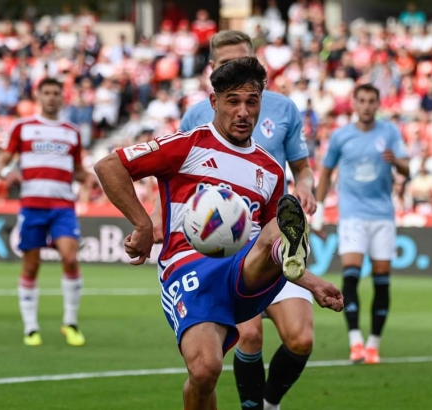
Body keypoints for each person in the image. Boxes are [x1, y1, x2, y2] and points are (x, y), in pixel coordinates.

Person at [93, 57, 343, 410]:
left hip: (244, 268)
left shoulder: (270, 170)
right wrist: (143, 224)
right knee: (205, 371)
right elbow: (109, 166)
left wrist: (313, 282)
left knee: (279, 225)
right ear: (214, 102)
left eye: (252, 101)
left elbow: (274, 242)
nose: (243, 111)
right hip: (188, 266)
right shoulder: (188, 145)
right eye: (233, 101)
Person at [178, 31, 317, 410]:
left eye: (242, 61)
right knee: (249, 334)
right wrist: (156, 223)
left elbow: (303, 170)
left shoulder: (284, 108)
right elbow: (175, 179)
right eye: (225, 64)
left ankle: (270, 403)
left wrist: (306, 189)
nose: (235, 69)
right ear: (212, 70)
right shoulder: (195, 115)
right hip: (226, 248)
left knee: (301, 338)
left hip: (276, 237)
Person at [312, 83, 410, 364]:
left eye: (371, 101)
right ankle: (355, 340)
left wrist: (397, 163)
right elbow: (327, 171)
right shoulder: (341, 136)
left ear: (378, 104)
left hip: (382, 216)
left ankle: (373, 345)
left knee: (382, 280)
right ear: (354, 103)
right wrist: (317, 212)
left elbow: (407, 167)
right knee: (351, 274)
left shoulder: (389, 132)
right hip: (352, 215)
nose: (366, 105)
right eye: (362, 100)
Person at [0, 78, 89, 347]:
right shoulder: (23, 127)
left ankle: (70, 322)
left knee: (70, 258)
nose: (51, 97)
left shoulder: (72, 131)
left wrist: (91, 177)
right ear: (38, 96)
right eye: (46, 93)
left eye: (56, 93)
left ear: (63, 97)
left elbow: (78, 169)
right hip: (32, 205)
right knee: (31, 264)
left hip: (62, 206)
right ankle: (31, 327)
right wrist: (5, 172)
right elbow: (2, 159)